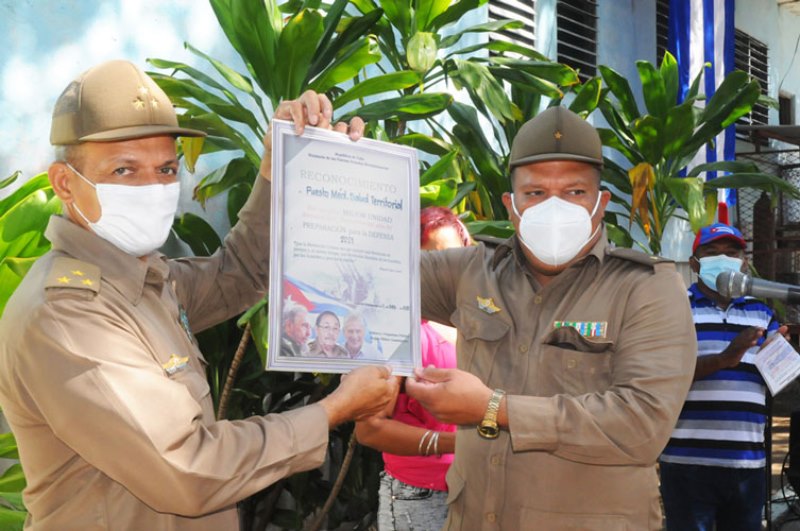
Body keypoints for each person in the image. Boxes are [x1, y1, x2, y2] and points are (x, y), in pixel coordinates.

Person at [0, 60, 394, 530]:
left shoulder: (143, 279)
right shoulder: (67, 317)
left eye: (167, 168)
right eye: (125, 170)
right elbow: (186, 468)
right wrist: (333, 410)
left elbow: (239, 272)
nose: (154, 187)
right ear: (64, 182)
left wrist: (278, 165)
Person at [404, 106, 698, 529]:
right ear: (511, 204)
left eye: (575, 192)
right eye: (535, 193)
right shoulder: (469, 271)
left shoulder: (646, 287)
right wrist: (307, 157)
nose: (554, 208)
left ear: (601, 203)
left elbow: (641, 423)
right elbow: (361, 272)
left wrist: (494, 408)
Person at [659, 223, 784, 531]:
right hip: (687, 460)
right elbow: (662, 376)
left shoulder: (762, 312)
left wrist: (782, 361)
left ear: (743, 261)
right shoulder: (673, 309)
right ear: (694, 263)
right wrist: (725, 359)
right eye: (711, 253)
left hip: (747, 462)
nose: (723, 259)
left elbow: (777, 385)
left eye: (731, 253)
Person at [355, 206, 471, 530]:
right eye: (425, 258)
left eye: (449, 257)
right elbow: (369, 429)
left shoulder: (479, 320)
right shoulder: (396, 328)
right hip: (421, 496)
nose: (439, 269)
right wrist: (455, 445)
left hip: (478, 489)